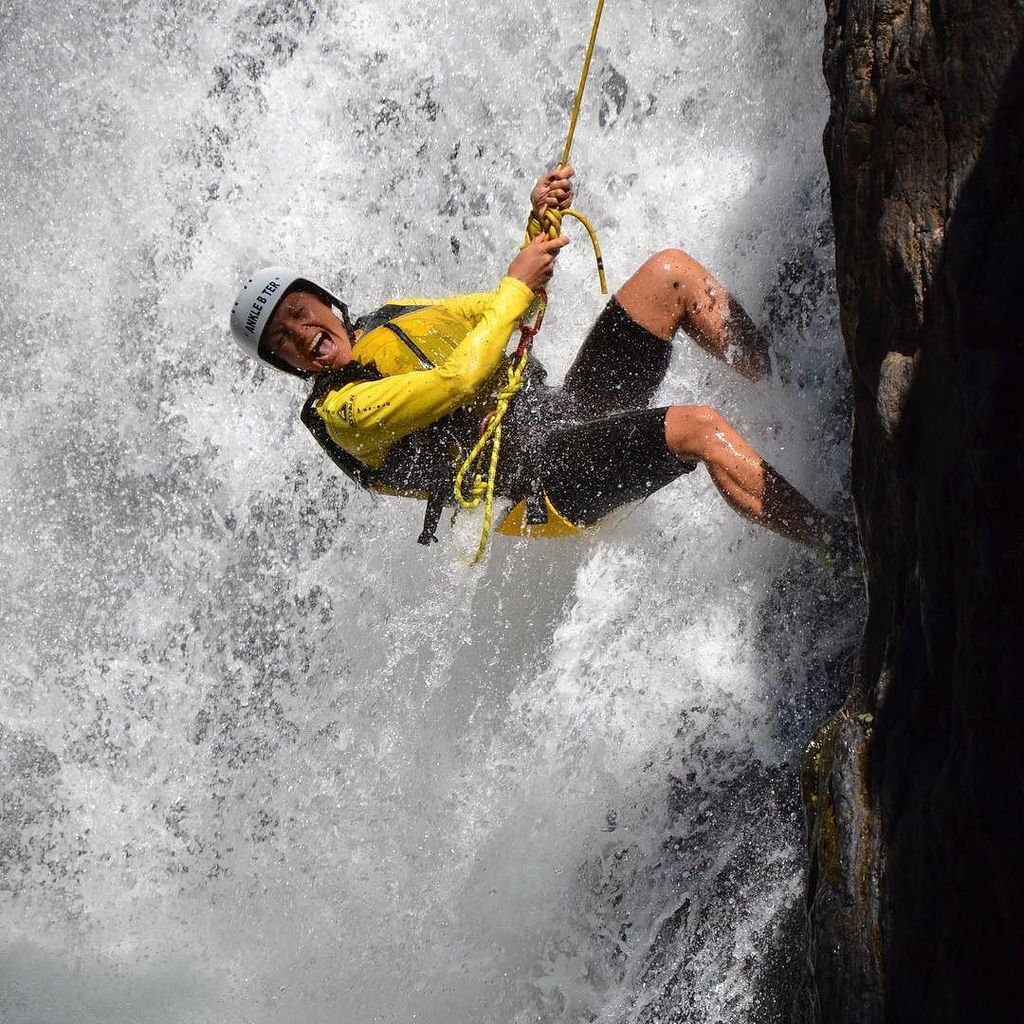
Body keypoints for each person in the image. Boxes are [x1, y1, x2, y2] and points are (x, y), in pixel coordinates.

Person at [230, 166, 843, 554]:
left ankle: (786, 393)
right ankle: (839, 551)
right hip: (540, 481)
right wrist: (518, 285)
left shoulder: (389, 320)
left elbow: (504, 306)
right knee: (699, 427)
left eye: (299, 311)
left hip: (565, 413)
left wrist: (536, 231)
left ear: (325, 300)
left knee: (670, 274)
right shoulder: (346, 411)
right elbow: (459, 379)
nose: (300, 333)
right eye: (281, 341)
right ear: (289, 368)